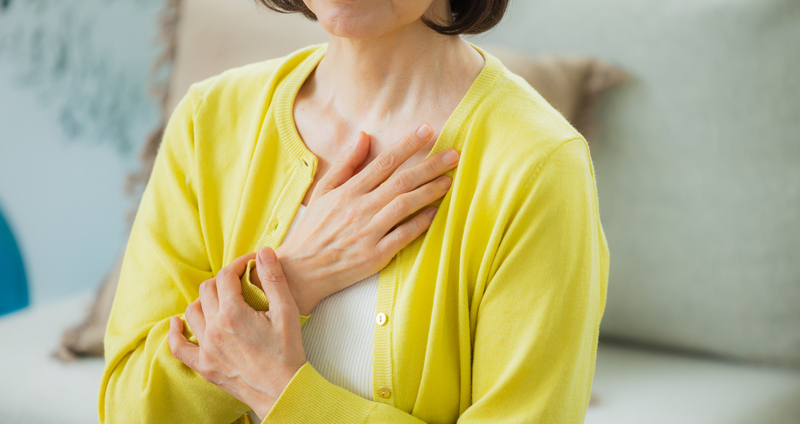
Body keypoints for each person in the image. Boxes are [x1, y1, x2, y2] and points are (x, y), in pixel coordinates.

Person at [98, 0, 610, 420]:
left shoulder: (538, 165)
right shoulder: (207, 120)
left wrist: (284, 396)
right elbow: (129, 410)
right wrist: (292, 277)